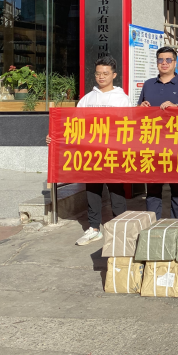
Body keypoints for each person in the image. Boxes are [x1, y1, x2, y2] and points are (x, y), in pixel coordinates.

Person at [46, 55, 131, 246]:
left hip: (113, 152)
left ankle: (121, 228)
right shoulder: (87, 99)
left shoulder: (122, 99)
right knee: (92, 190)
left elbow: (128, 126)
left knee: (116, 190)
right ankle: (93, 228)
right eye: (98, 73)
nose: (101, 77)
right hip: (91, 154)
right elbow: (75, 125)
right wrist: (55, 137)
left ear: (114, 75)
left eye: (105, 73)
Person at [138, 46, 178, 219]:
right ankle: (152, 223)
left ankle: (176, 224)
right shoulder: (148, 84)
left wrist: (177, 108)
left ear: (175, 63)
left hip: (177, 145)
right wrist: (141, 108)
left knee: (177, 187)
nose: (164, 63)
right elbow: (138, 113)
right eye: (160, 60)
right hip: (152, 143)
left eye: (168, 60)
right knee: (153, 188)